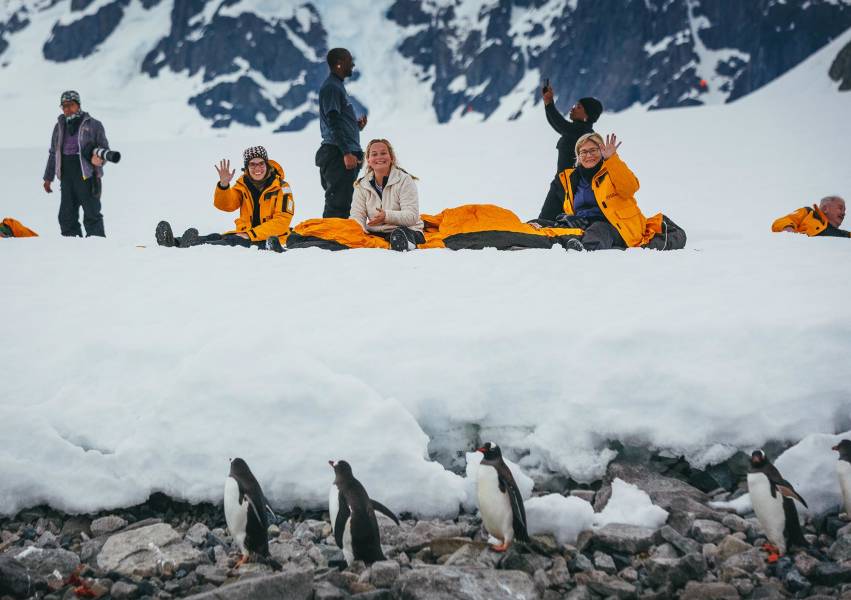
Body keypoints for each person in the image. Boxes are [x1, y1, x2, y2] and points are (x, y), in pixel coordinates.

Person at [155, 146, 295, 251]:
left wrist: (250, 234)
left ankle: (192, 245)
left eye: (261, 163)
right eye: (252, 164)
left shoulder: (282, 188)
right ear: (246, 167)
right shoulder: (244, 184)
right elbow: (227, 205)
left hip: (272, 238)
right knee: (217, 237)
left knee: (229, 242)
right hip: (246, 234)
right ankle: (174, 242)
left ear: (267, 165)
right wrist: (224, 185)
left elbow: (282, 221)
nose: (257, 168)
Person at [535, 132, 651, 251]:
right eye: (584, 152)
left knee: (598, 230)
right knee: (538, 224)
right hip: (583, 227)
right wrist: (567, 217)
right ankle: (525, 240)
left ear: (602, 151)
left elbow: (629, 189)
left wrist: (612, 158)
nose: (589, 155)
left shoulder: (612, 170)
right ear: (578, 156)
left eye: (593, 150)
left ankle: (582, 252)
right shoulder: (571, 179)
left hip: (614, 227)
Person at [42, 90, 110, 237]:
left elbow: (105, 149)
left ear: (78, 105)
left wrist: (99, 160)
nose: (67, 109)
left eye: (71, 105)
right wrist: (48, 178)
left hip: (87, 175)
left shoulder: (94, 125)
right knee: (66, 216)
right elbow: (53, 153)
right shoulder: (59, 127)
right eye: (64, 106)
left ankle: (97, 245)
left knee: (92, 214)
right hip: (66, 175)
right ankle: (72, 245)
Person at [316, 47, 367, 218]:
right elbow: (332, 120)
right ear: (339, 64)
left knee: (344, 203)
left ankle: (337, 233)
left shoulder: (336, 86)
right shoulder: (331, 87)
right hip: (337, 154)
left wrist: (355, 126)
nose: (352, 64)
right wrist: (346, 152)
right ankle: (331, 235)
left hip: (341, 153)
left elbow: (337, 121)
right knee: (338, 205)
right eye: (349, 60)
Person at [538, 84, 602, 221]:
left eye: (578, 107)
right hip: (562, 183)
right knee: (549, 221)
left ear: (587, 115)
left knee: (546, 221)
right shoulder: (576, 130)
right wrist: (548, 103)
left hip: (570, 186)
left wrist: (549, 102)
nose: (573, 108)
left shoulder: (582, 133)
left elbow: (560, 124)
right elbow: (558, 125)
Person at [350, 139, 424, 251]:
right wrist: (358, 232)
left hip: (407, 230)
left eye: (383, 153)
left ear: (391, 157)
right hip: (376, 233)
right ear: (368, 160)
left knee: (399, 234)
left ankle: (406, 242)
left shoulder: (405, 180)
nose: (379, 157)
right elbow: (357, 215)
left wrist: (386, 216)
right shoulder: (361, 185)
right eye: (374, 154)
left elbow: (411, 216)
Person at [772, 196, 848, 238]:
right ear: (825, 208)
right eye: (840, 208)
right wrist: (788, 228)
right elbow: (784, 220)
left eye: (844, 210)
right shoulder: (808, 213)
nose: (843, 213)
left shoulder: (843, 234)